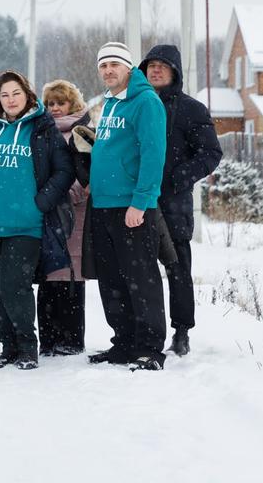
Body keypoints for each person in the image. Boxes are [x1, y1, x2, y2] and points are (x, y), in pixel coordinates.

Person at [0, 70, 74, 370]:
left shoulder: (42, 128)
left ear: (27, 95)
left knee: (15, 285)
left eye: (16, 93)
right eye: (4, 95)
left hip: (25, 224)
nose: (10, 100)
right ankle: (7, 346)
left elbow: (64, 171)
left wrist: (40, 203)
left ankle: (27, 346)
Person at [87, 41, 169, 371]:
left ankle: (149, 347)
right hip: (103, 205)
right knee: (112, 280)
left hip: (132, 208)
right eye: (103, 65)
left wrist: (141, 202)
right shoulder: (109, 103)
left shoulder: (145, 102)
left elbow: (153, 154)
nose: (108, 71)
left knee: (141, 278)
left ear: (128, 68)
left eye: (114, 65)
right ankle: (123, 342)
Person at [139, 44, 223, 357]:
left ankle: (181, 330)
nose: (156, 70)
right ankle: (145, 329)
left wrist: (177, 177)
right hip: (137, 202)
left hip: (173, 204)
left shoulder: (191, 109)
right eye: (151, 65)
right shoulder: (133, 105)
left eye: (163, 65)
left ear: (175, 71)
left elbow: (211, 153)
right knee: (139, 271)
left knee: (177, 269)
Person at [36, 79, 91, 356]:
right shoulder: (40, 131)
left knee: (71, 274)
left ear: (73, 104)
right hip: (48, 212)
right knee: (48, 274)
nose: (55, 108)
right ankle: (47, 338)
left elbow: (90, 174)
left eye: (61, 103)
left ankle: (71, 338)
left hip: (74, 213)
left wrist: (69, 195)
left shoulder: (82, 132)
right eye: (50, 104)